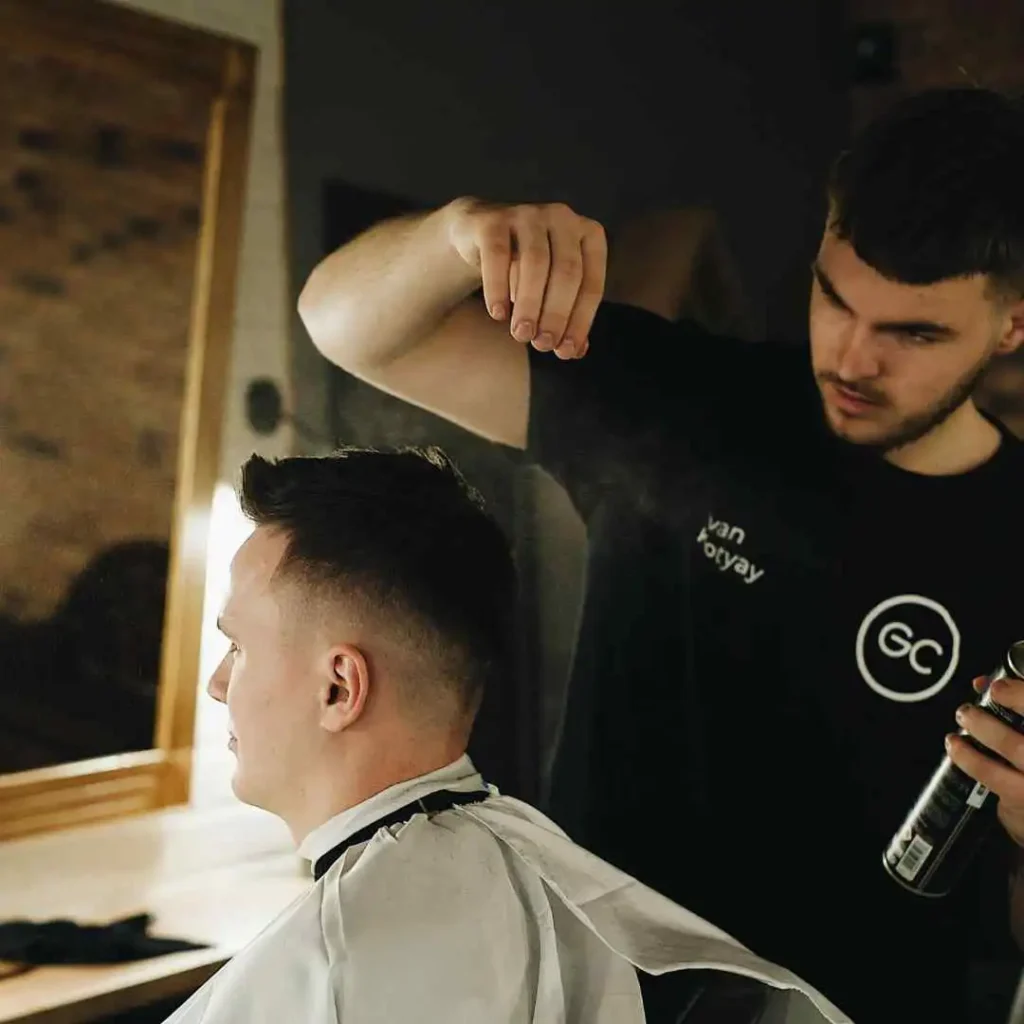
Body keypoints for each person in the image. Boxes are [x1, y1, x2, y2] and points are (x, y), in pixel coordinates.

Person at [297, 87, 1024, 1023]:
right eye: (834, 299)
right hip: (598, 998)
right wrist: (455, 236)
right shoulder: (686, 407)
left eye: (913, 334)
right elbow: (347, 326)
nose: (851, 359)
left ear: (1012, 324)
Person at [162, 447, 850, 1024]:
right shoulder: (554, 874)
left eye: (238, 648)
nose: (219, 684)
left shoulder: (328, 964)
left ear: (339, 688)